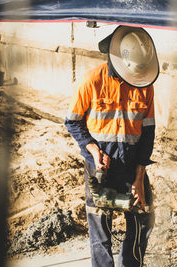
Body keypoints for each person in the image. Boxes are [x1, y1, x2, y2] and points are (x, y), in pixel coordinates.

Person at [65, 25, 159, 267]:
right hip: (99, 167)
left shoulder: (145, 85)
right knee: (100, 231)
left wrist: (140, 176)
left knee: (142, 220)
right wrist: (93, 150)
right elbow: (73, 123)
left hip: (131, 166)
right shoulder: (90, 82)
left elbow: (147, 134)